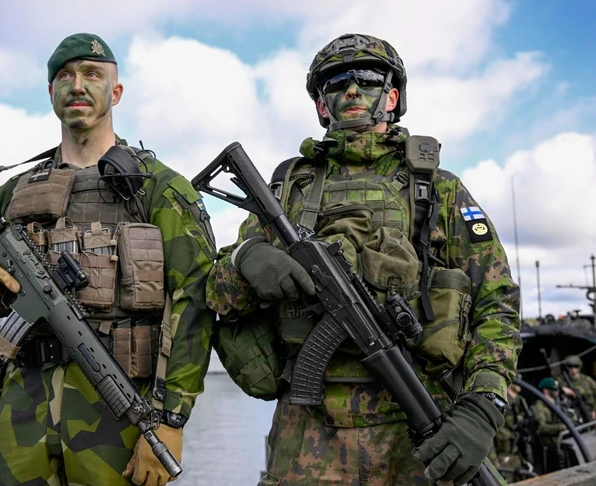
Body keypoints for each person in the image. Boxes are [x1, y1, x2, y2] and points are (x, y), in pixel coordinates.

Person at [206, 33, 521, 486]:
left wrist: (485, 403)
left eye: (368, 80)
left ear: (391, 97)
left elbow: (497, 303)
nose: (352, 90)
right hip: (307, 437)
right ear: (322, 104)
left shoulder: (438, 190)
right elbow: (217, 293)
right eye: (337, 83)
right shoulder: (289, 190)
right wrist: (247, 259)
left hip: (418, 427)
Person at [0, 32, 217, 486]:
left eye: (92, 74)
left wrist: (171, 420)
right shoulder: (15, 192)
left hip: (119, 410)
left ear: (116, 91)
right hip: (22, 407)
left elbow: (195, 305)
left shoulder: (159, 188)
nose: (77, 85)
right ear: (51, 92)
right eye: (65, 76)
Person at [559, 355, 596, 421]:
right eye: (570, 366)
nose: (573, 369)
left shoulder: (587, 380)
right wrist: (562, 388)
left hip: (590, 412)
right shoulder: (562, 381)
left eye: (576, 366)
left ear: (579, 367)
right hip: (574, 414)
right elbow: (550, 388)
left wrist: (594, 411)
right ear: (567, 367)